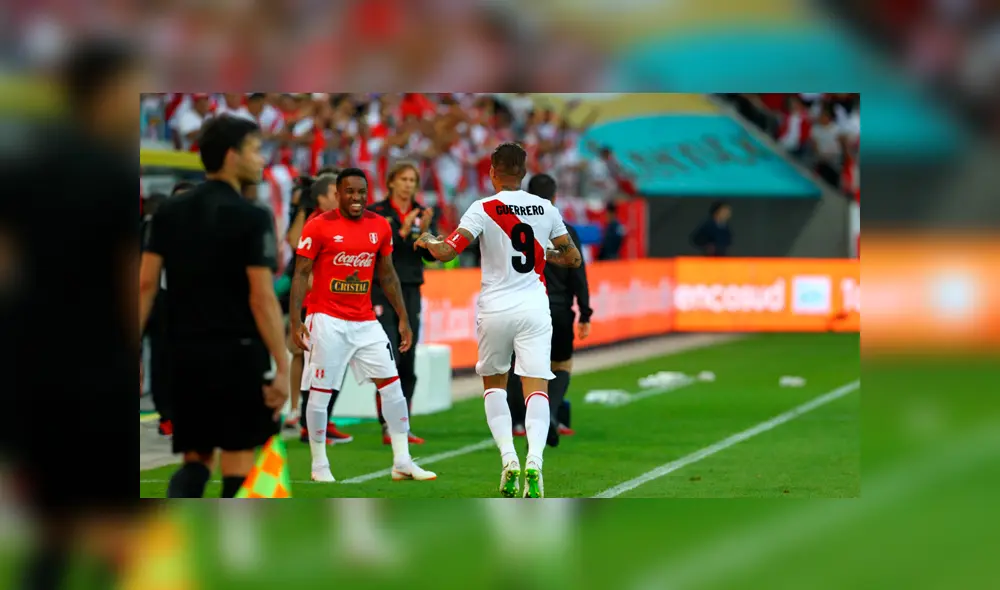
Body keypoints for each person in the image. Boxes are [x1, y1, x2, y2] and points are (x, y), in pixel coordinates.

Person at [415, 143, 582, 498]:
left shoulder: (482, 208)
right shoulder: (546, 208)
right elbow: (573, 259)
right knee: (536, 386)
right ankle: (534, 461)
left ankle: (508, 459)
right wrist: (544, 252)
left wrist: (428, 238)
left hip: (496, 308)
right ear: (523, 171)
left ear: (491, 171)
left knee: (495, 384)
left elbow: (447, 252)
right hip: (535, 308)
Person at [139, 114, 290, 498]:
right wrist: (282, 366)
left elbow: (144, 285)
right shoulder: (252, 217)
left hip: (182, 353)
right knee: (238, 463)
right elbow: (261, 297)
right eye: (255, 150)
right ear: (230, 155)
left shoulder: (169, 213)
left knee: (195, 460)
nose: (261, 160)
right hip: (237, 355)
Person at [289, 168, 436, 483]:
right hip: (326, 317)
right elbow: (301, 273)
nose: (356, 198)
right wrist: (295, 320)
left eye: (361, 192)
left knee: (393, 387)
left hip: (365, 319)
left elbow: (387, 274)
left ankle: (402, 461)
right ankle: (319, 466)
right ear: (339, 193)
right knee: (321, 392)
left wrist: (403, 318)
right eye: (349, 192)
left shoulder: (378, 225)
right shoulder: (318, 226)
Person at [506, 174, 593, 446]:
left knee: (516, 366)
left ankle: (519, 420)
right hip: (557, 309)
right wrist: (585, 312)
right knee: (560, 365)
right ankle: (551, 414)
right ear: (555, 197)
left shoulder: (513, 229)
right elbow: (579, 275)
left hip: (520, 307)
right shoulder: (564, 230)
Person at [368, 161, 438, 445]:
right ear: (391, 182)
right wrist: (400, 233)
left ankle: (403, 424)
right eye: (404, 179)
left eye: (413, 180)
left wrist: (428, 236)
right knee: (389, 359)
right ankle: (388, 425)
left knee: (408, 360)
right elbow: (378, 251)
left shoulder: (422, 213)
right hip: (383, 291)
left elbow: (429, 258)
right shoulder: (376, 213)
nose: (409, 184)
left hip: (410, 289)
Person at [286, 173, 354, 445]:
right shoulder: (315, 222)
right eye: (334, 193)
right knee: (318, 366)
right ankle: (308, 424)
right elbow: (304, 263)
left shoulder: (338, 221)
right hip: (317, 304)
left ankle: (321, 420)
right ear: (322, 197)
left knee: (333, 364)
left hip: (336, 302)